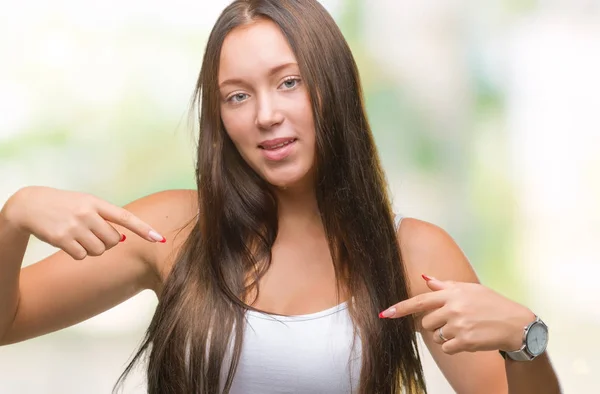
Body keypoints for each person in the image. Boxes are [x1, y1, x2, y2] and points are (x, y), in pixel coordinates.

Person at [0, 0, 561, 393]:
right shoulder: (171, 228)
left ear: (332, 86)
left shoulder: (412, 253)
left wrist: (524, 338)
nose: (266, 115)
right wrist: (14, 218)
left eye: (288, 82)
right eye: (237, 95)